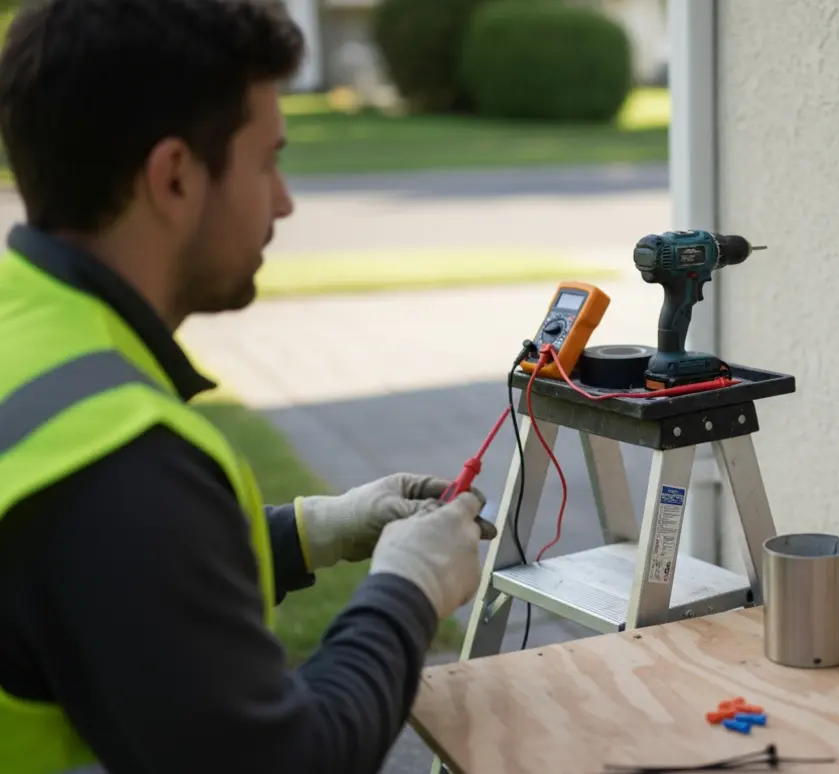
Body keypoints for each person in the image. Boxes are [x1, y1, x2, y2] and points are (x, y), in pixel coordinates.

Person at [0, 1, 497, 772]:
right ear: (173, 177)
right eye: (267, 162)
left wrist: (315, 530)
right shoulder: (119, 460)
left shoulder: (22, 324)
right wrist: (410, 589)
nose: (285, 201)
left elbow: (117, 580)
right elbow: (289, 758)